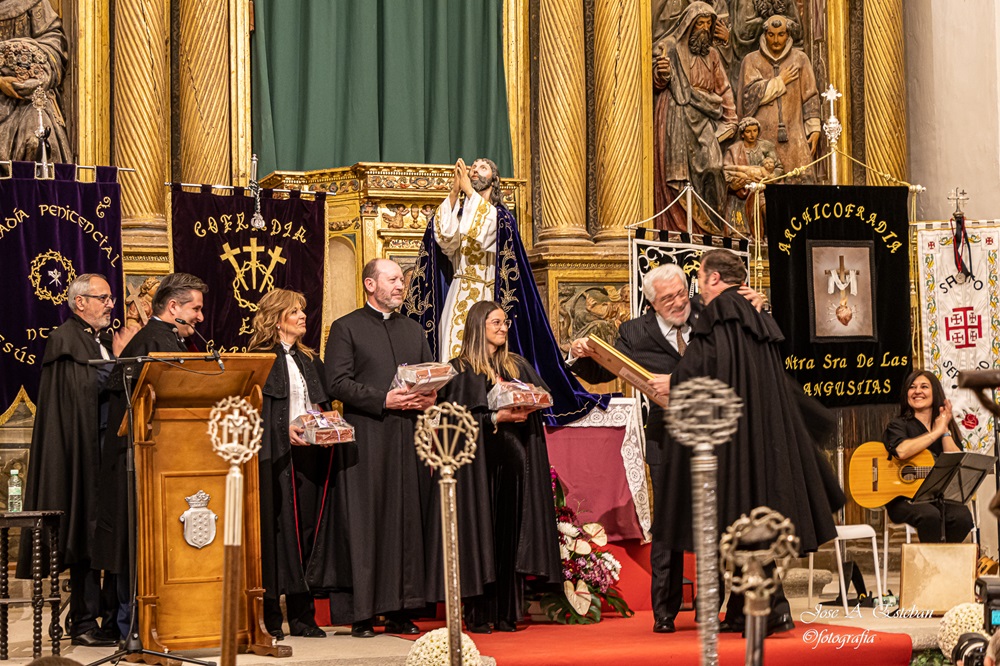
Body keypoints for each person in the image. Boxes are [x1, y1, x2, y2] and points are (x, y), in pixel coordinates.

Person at [568, 263, 762, 633]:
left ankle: (713, 608)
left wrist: (758, 302)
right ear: (652, 303)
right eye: (667, 299)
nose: (678, 303)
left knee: (718, 523)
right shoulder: (634, 333)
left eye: (680, 293)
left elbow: (737, 354)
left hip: (716, 436)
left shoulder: (710, 314)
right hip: (667, 440)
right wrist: (580, 354)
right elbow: (605, 370)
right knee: (670, 524)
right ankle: (665, 612)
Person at [661, 249, 843, 636]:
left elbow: (704, 367)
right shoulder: (757, 316)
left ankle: (769, 608)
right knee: (749, 517)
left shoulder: (720, 313)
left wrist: (673, 382)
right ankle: (745, 609)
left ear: (713, 279)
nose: (698, 292)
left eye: (700, 281)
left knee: (737, 517)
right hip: (764, 435)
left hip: (732, 440)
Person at [403, 157, 605, 426]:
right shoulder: (463, 212)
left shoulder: (500, 216)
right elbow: (445, 240)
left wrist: (469, 193)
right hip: (461, 293)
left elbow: (484, 233)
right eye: (472, 168)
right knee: (453, 352)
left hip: (490, 294)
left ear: (494, 179)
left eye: (482, 167)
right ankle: (455, 411)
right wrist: (454, 193)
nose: (474, 171)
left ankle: (491, 406)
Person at [308, 258, 436, 638]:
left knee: (406, 522)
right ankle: (362, 613)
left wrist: (428, 397)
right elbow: (338, 384)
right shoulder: (346, 328)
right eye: (392, 279)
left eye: (401, 280)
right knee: (367, 525)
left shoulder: (414, 330)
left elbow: (428, 376)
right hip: (366, 440)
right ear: (369, 284)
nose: (400, 285)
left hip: (409, 439)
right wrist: (385, 399)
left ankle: (400, 608)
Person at [427, 300, 561, 634]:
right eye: (496, 322)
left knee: (509, 535)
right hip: (476, 465)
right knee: (480, 535)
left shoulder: (516, 365)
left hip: (513, 459)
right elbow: (451, 421)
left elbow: (544, 396)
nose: (503, 328)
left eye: (505, 323)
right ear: (477, 326)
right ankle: (479, 612)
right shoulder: (459, 369)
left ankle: (507, 612)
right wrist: (493, 416)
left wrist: (529, 400)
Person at [91, 272, 208, 639]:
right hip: (139, 463)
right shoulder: (156, 343)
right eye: (196, 309)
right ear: (173, 307)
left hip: (158, 464)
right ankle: (137, 630)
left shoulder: (163, 338)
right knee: (137, 545)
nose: (201, 318)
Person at [17, 274, 131, 646]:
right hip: (80, 455)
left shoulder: (97, 341)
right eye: (104, 298)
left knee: (107, 533)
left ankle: (111, 619)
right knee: (84, 532)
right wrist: (121, 361)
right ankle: (83, 623)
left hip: (104, 451)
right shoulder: (65, 339)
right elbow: (86, 389)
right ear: (80, 302)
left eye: (111, 298)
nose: (110, 304)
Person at [248, 289, 331, 639]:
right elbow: (254, 414)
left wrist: (327, 426)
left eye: (302, 311)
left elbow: (318, 404)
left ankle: (302, 615)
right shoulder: (258, 359)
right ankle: (269, 615)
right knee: (273, 533)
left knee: (307, 533)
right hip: (273, 457)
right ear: (277, 317)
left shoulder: (309, 360)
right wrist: (285, 430)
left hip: (308, 455)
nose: (302, 317)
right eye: (295, 311)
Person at [652, 2, 737, 235]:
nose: (703, 29)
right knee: (680, 174)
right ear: (688, 25)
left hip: (704, 118)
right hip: (677, 115)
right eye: (699, 23)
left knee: (713, 166)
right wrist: (662, 74)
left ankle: (711, 231)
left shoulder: (712, 55)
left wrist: (731, 118)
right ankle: (678, 228)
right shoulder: (670, 48)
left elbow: (724, 88)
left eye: (707, 25)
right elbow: (659, 81)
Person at [882, 370, 974, 543]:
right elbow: (902, 451)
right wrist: (935, 432)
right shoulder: (898, 424)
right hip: (903, 497)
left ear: (935, 392)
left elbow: (956, 464)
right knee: (929, 516)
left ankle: (943, 563)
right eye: (912, 387)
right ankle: (932, 567)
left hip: (938, 496)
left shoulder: (945, 427)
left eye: (924, 386)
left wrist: (944, 430)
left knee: (962, 519)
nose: (917, 391)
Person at [738, 14, 820, 180]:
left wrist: (814, 127)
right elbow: (747, 99)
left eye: (781, 35)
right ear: (765, 34)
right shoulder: (751, 61)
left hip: (793, 135)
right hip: (760, 138)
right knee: (763, 188)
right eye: (771, 35)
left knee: (800, 186)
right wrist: (779, 81)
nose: (776, 40)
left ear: (788, 35)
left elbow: (810, 95)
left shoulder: (800, 60)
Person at [0, 0, 73, 161]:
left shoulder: (33, 3)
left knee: (37, 139)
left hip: (30, 96)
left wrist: (38, 73)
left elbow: (54, 45)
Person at [723, 116, 783, 235]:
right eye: (748, 131)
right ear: (742, 134)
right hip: (741, 192)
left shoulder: (766, 147)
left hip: (763, 189)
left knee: (767, 208)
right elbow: (726, 173)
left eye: (755, 131)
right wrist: (732, 186)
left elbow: (779, 168)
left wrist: (769, 179)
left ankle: (768, 236)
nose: (752, 135)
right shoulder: (733, 150)